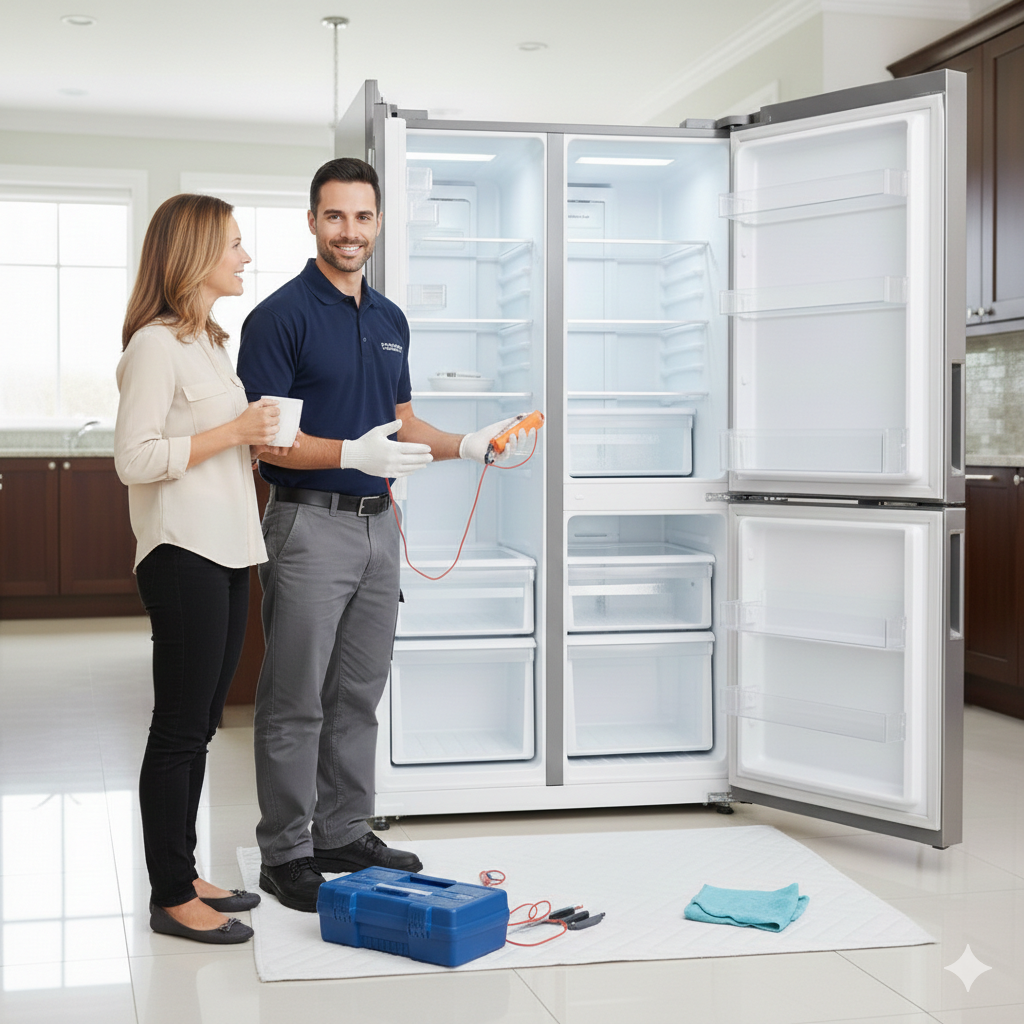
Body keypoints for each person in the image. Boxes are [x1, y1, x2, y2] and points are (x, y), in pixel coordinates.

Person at [237, 157, 532, 912]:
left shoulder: (391, 319)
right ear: (312, 221)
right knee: (296, 698)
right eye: (335, 216)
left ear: (377, 223)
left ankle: (341, 830)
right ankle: (286, 852)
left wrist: (468, 443)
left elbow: (403, 423)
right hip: (308, 524)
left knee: (358, 692)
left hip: (377, 528)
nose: (350, 231)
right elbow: (268, 441)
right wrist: (348, 454)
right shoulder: (279, 317)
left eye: (362, 217)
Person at [115, 194, 291, 943]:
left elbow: (206, 446)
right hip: (182, 552)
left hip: (228, 549)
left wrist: (249, 443)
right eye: (234, 244)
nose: (245, 256)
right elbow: (134, 459)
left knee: (203, 725)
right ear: (193, 255)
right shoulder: (154, 347)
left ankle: (185, 875)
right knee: (180, 729)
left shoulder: (210, 343)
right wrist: (233, 431)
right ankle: (170, 898)